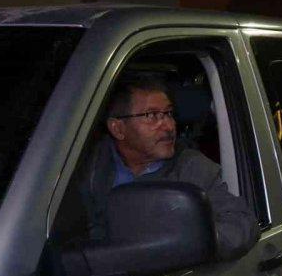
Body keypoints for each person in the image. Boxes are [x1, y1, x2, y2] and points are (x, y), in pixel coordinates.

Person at [80, 72, 259, 261]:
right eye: (152, 115)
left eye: (168, 113)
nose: (168, 126)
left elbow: (241, 224)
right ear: (118, 128)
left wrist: (181, 245)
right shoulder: (89, 166)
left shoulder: (191, 167)